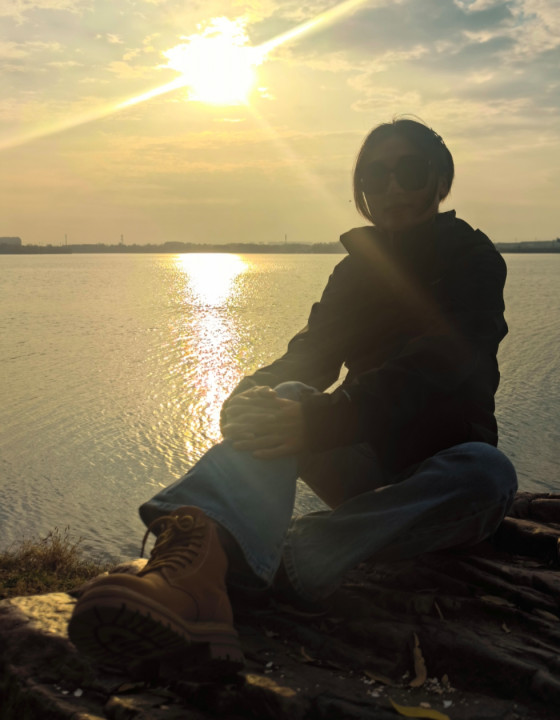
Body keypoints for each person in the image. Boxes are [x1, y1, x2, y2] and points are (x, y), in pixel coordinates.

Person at [68, 117, 517, 672]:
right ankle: (191, 564)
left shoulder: (473, 260)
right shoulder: (355, 273)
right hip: (362, 463)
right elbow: (312, 355)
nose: (392, 187)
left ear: (439, 180)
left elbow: (442, 361)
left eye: (409, 170)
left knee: (489, 472)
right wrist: (247, 394)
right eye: (376, 176)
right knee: (282, 392)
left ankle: (281, 562)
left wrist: (332, 415)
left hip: (439, 478)